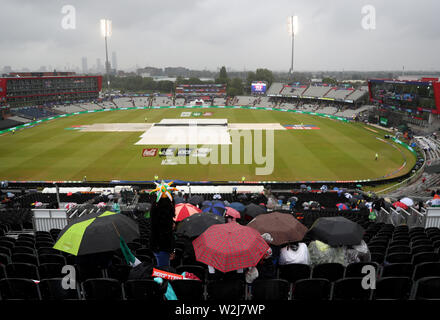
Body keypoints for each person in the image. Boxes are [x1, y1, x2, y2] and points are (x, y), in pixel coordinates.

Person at [150, 195, 176, 267]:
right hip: (163, 248)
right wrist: (172, 250)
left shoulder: (154, 210)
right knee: (164, 271)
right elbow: (167, 236)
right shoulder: (166, 214)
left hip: (156, 246)